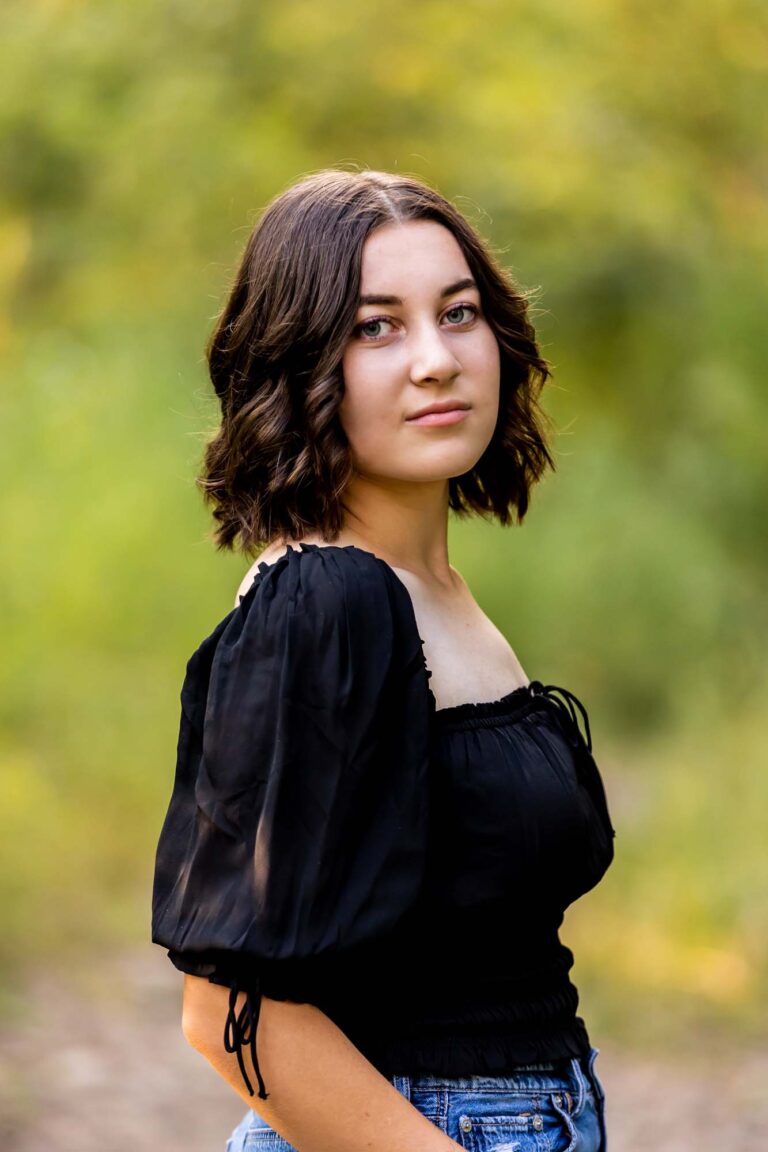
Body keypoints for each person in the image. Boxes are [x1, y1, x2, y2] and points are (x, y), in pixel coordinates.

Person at [151, 168, 616, 1152]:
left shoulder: (428, 588)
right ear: (296, 362)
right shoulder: (331, 604)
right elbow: (230, 1017)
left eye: (459, 313)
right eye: (377, 328)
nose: (436, 361)